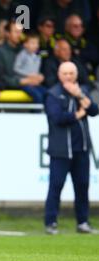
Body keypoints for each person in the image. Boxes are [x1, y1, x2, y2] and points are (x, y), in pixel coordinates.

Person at [44, 61, 98, 235]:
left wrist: (80, 95)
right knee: (56, 186)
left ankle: (83, 222)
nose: (68, 76)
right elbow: (56, 117)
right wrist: (78, 114)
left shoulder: (82, 91)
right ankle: (50, 222)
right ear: (59, 75)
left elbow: (95, 110)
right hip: (60, 150)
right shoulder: (53, 94)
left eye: (71, 73)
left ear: (76, 74)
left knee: (82, 186)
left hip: (81, 149)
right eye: (65, 73)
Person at [13, 33, 46, 103]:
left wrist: (39, 76)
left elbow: (36, 70)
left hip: (35, 83)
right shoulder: (22, 55)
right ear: (25, 44)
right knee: (37, 96)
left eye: (37, 43)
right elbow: (16, 69)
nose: (36, 46)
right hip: (25, 83)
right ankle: (36, 113)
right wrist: (28, 75)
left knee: (46, 93)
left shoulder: (38, 56)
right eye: (33, 43)